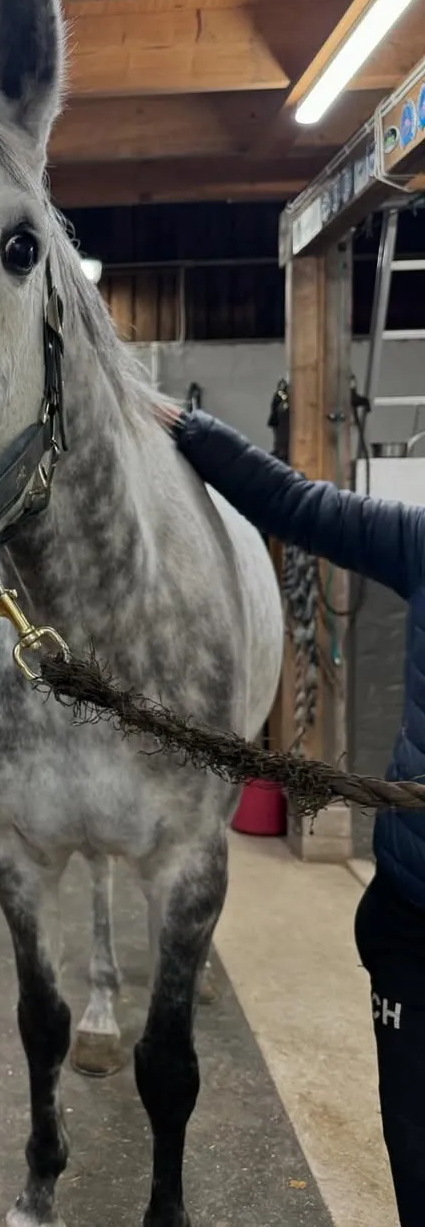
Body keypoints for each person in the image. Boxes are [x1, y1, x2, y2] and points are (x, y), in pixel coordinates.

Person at [159, 402, 425, 1226]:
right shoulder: (421, 542)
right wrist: (188, 429)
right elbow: (296, 505)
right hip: (413, 918)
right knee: (415, 1147)